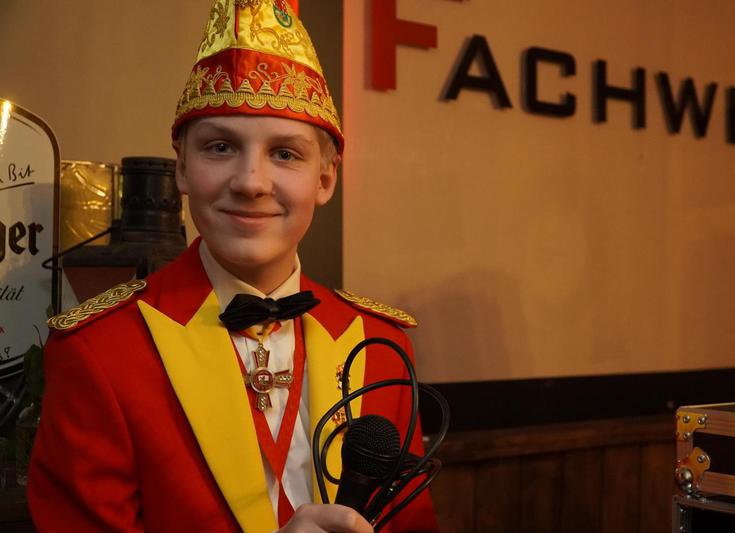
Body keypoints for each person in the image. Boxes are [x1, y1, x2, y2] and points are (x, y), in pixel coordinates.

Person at [27, 1, 439, 532]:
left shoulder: (382, 344)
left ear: (326, 178)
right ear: (181, 167)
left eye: (285, 154)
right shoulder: (98, 350)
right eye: (220, 147)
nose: (250, 182)